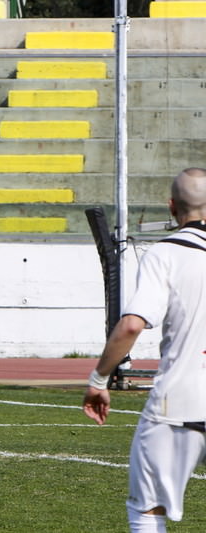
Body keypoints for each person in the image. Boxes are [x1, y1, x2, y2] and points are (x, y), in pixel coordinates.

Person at [83, 167, 206, 532]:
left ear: (171, 206)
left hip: (180, 401)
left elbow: (133, 324)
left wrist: (98, 379)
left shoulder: (164, 253)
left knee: (147, 510)